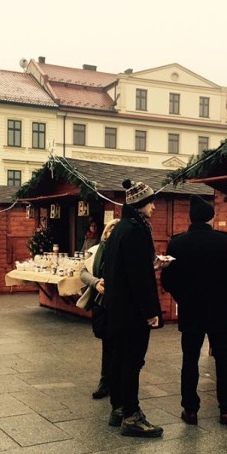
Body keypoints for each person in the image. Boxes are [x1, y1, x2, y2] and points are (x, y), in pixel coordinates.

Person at [161, 195, 227, 425]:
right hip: (218, 308)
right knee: (224, 358)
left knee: (189, 359)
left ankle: (190, 409)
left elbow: (168, 278)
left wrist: (183, 297)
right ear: (210, 217)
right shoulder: (222, 241)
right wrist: (225, 298)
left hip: (190, 309)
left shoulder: (177, 243)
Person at [103, 179, 168, 437]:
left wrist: (150, 265)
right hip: (132, 310)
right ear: (140, 203)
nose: (153, 207)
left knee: (119, 358)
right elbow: (139, 277)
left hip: (117, 307)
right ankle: (131, 415)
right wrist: (151, 311)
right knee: (132, 360)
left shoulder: (120, 229)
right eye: (150, 202)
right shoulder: (137, 230)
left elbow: (125, 268)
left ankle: (118, 407)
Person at [80, 218, 120, 400]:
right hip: (101, 302)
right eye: (110, 229)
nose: (111, 232)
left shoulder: (124, 251)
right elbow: (83, 272)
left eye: (115, 230)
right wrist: (96, 283)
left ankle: (114, 382)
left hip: (119, 303)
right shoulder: (96, 251)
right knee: (106, 342)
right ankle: (106, 381)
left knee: (117, 344)